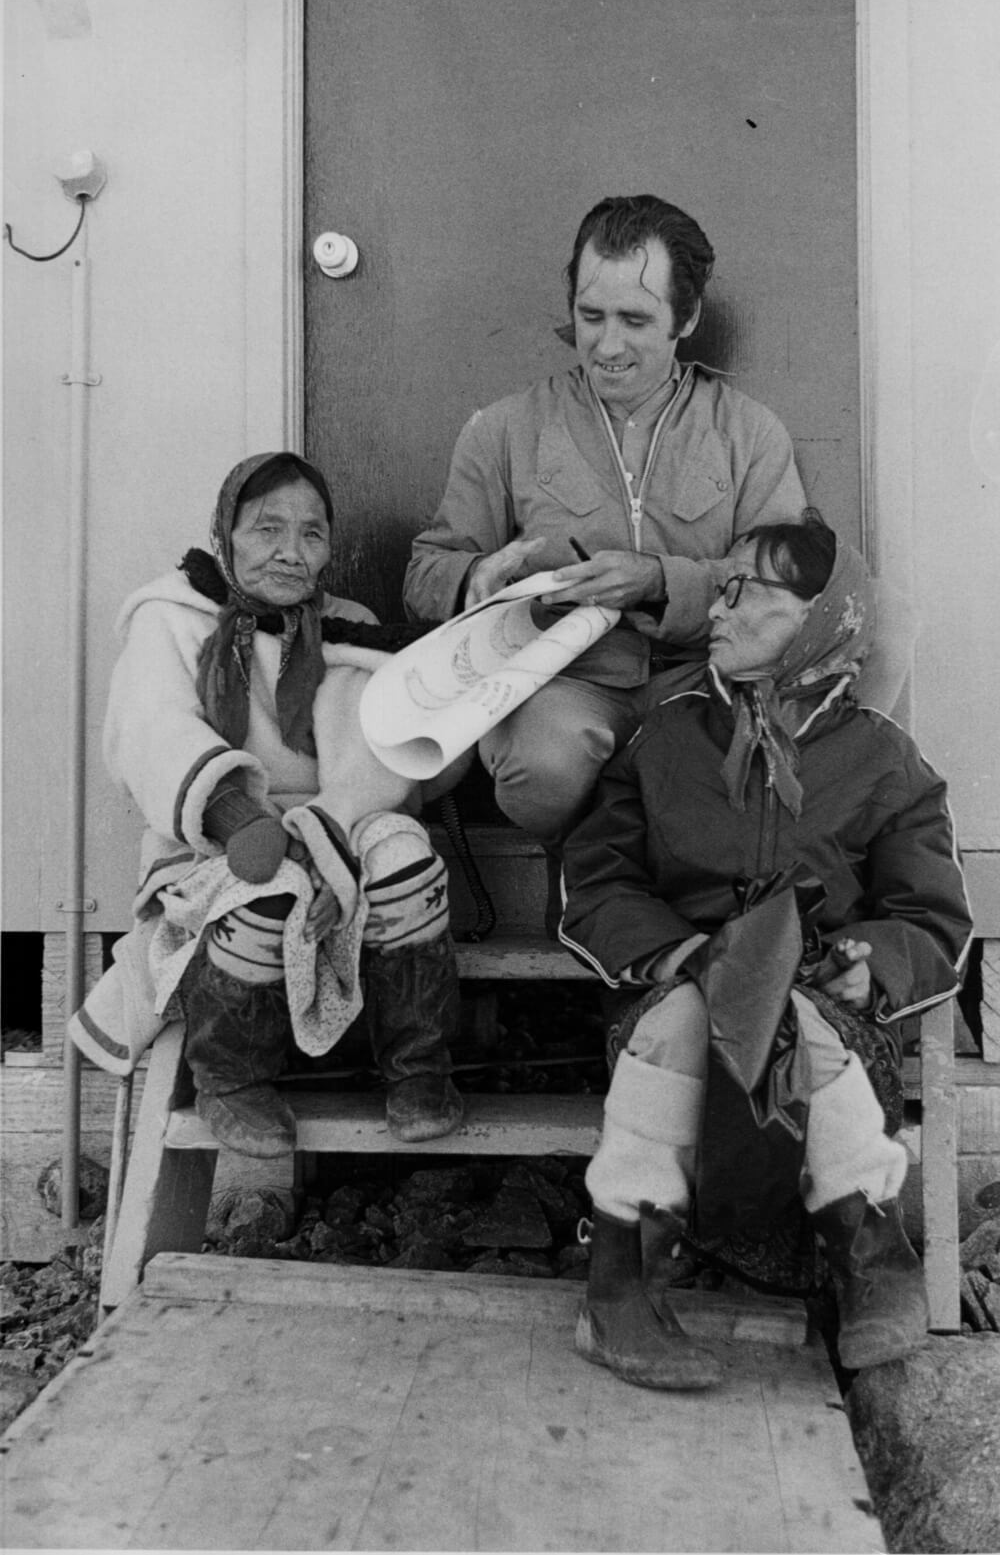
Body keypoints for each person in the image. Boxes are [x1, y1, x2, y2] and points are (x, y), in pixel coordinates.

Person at [557, 510, 972, 1390]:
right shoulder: (664, 739)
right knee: (676, 1017)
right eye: (723, 585)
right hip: (683, 993)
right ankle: (620, 1291)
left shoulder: (884, 760)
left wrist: (870, 961)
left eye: (751, 592)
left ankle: (869, 1261)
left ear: (825, 619)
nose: (720, 607)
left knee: (800, 1018)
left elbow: (933, 919)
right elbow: (598, 882)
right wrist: (675, 955)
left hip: (824, 1004)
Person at [71, 452, 465, 1155]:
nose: (291, 551)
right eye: (267, 529)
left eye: (312, 534)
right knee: (266, 884)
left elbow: (386, 743)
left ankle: (417, 1069)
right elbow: (150, 730)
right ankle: (230, 1077)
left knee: (405, 851)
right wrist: (245, 820)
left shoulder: (347, 625)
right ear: (225, 533)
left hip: (336, 819)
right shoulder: (173, 614)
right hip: (217, 835)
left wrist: (329, 832)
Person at [404, 194, 807, 852]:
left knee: (723, 773)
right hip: (565, 683)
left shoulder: (748, 432)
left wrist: (658, 580)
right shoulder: (507, 427)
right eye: (591, 316)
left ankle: (616, 857)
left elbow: (786, 588)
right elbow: (426, 569)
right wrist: (474, 578)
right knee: (543, 770)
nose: (608, 345)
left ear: (687, 316)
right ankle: (613, 840)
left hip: (701, 682)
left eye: (635, 319)